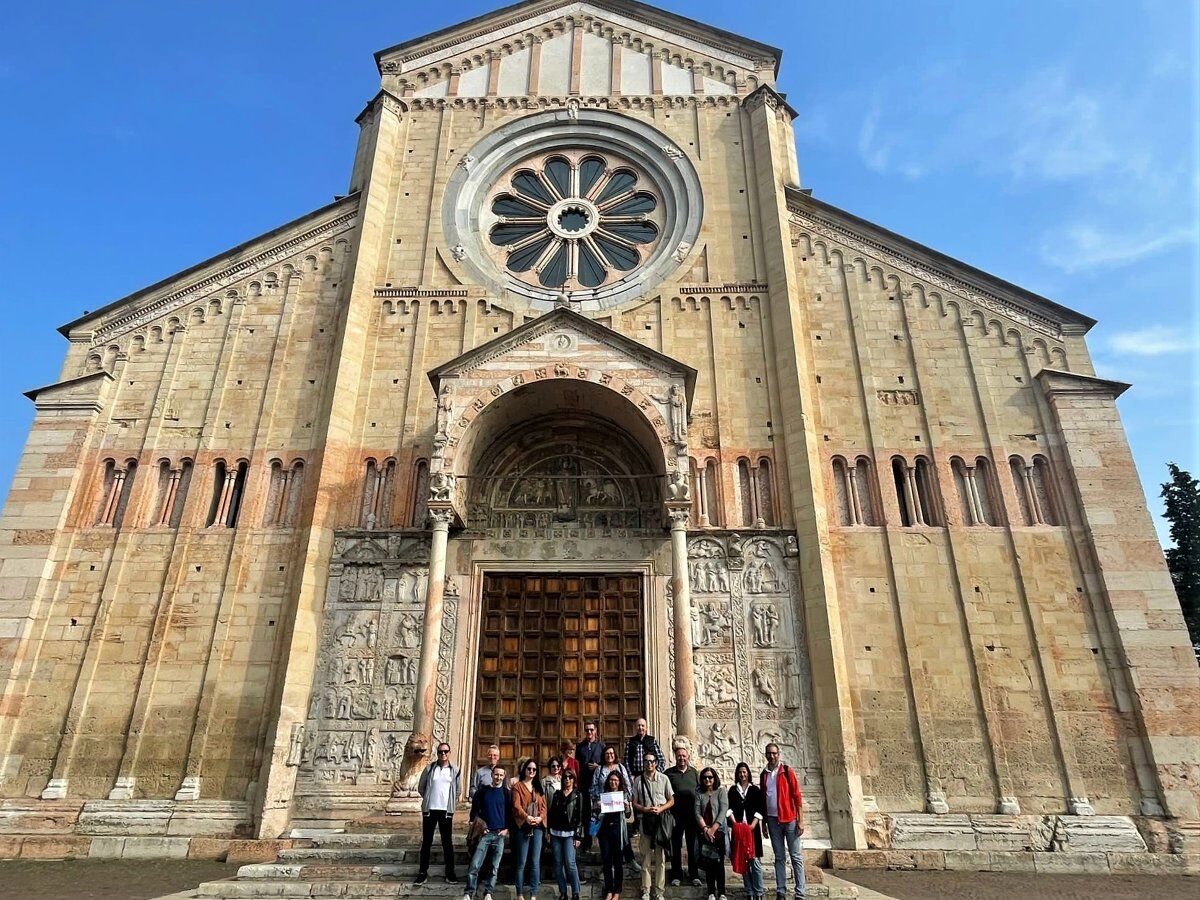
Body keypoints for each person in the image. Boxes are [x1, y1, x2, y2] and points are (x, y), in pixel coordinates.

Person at [761, 743, 805, 899]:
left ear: (778, 754)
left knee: (795, 856)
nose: (771, 756)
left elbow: (797, 796)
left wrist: (801, 820)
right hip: (773, 820)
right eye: (769, 753)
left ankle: (800, 891)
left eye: (774, 753)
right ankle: (781, 890)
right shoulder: (764, 774)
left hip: (790, 819)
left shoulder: (787, 771)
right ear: (765, 755)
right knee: (779, 856)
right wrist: (764, 822)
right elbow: (763, 798)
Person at [415, 741, 460, 886]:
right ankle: (422, 872)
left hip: (446, 811)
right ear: (437, 753)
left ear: (449, 753)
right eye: (440, 752)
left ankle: (450, 872)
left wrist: (450, 803)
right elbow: (421, 787)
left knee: (447, 842)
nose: (443, 754)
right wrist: (428, 799)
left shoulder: (455, 770)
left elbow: (457, 790)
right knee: (426, 842)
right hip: (430, 810)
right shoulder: (429, 769)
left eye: (446, 751)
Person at [631, 751, 674, 900]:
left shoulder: (664, 779)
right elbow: (634, 802)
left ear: (656, 763)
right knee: (645, 857)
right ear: (643, 763)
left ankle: (659, 891)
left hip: (660, 821)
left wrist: (661, 808)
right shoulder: (638, 780)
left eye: (651, 761)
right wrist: (645, 809)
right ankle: (646, 890)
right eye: (646, 761)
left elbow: (671, 800)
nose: (649, 764)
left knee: (660, 858)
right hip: (646, 820)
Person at [464, 765, 509, 900]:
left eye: (501, 775)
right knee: (475, 865)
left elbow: (509, 814)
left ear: (504, 776)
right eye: (496, 775)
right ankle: (469, 892)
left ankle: (488, 892)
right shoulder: (483, 791)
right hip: (485, 833)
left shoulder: (507, 793)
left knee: (494, 867)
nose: (498, 777)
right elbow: (475, 812)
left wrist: (507, 829)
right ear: (492, 775)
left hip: (500, 834)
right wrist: (480, 827)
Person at [727, 762, 765, 900]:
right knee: (743, 862)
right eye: (740, 772)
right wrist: (735, 824)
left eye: (744, 772)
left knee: (755, 861)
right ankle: (749, 892)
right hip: (738, 830)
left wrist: (752, 826)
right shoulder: (732, 790)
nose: (742, 775)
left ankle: (759, 892)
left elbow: (759, 809)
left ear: (748, 773)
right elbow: (729, 809)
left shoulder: (754, 790)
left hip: (752, 829)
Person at [665, 741, 701, 887]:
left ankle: (694, 875)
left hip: (692, 816)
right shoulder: (668, 773)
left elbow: (700, 792)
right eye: (679, 756)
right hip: (675, 816)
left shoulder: (695, 773)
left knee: (693, 846)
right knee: (676, 846)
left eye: (684, 756)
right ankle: (676, 875)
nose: (681, 758)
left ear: (688, 757)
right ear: (675, 756)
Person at [511, 758, 547, 900]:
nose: (531, 771)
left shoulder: (538, 787)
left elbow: (544, 807)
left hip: (537, 828)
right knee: (521, 861)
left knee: (535, 861)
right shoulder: (518, 787)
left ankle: (533, 894)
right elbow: (516, 805)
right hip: (523, 827)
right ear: (524, 770)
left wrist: (540, 818)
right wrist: (526, 817)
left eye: (534, 770)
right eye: (529, 769)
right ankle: (519, 894)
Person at [547, 768, 586, 900]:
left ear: (574, 779)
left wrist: (578, 835)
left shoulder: (578, 795)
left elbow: (580, 816)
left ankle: (575, 892)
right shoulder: (557, 794)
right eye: (565, 777)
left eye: (570, 777)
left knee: (570, 863)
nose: (567, 779)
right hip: (556, 832)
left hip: (570, 833)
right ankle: (563, 892)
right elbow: (551, 813)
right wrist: (548, 831)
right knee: (557, 863)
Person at [596, 768, 633, 900]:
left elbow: (628, 816)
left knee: (617, 862)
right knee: (606, 861)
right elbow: (596, 814)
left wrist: (627, 806)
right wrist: (598, 805)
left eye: (616, 780)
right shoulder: (604, 795)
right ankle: (609, 890)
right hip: (604, 831)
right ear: (608, 781)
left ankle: (617, 890)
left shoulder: (623, 796)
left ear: (619, 782)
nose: (613, 782)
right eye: (611, 780)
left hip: (618, 831)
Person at [695, 767, 729, 900]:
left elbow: (723, 810)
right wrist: (705, 829)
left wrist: (713, 829)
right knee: (708, 861)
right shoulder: (699, 793)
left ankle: (721, 892)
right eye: (705, 778)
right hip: (705, 832)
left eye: (710, 777)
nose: (707, 780)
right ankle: (710, 892)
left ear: (714, 778)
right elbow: (697, 813)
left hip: (718, 832)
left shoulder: (721, 791)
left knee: (719, 863)